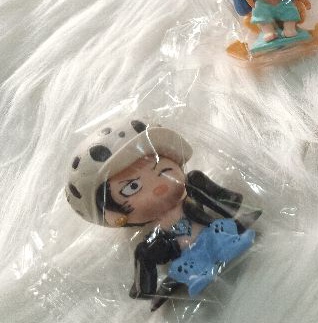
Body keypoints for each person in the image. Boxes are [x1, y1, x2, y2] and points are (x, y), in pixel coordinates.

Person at [66, 119, 259, 309]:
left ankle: (227, 243)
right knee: (145, 252)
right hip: (182, 253)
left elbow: (207, 198)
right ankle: (175, 280)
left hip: (210, 232)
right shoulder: (153, 236)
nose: (158, 187)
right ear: (112, 215)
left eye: (163, 171)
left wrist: (226, 205)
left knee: (199, 188)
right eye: (132, 187)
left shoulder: (191, 190)